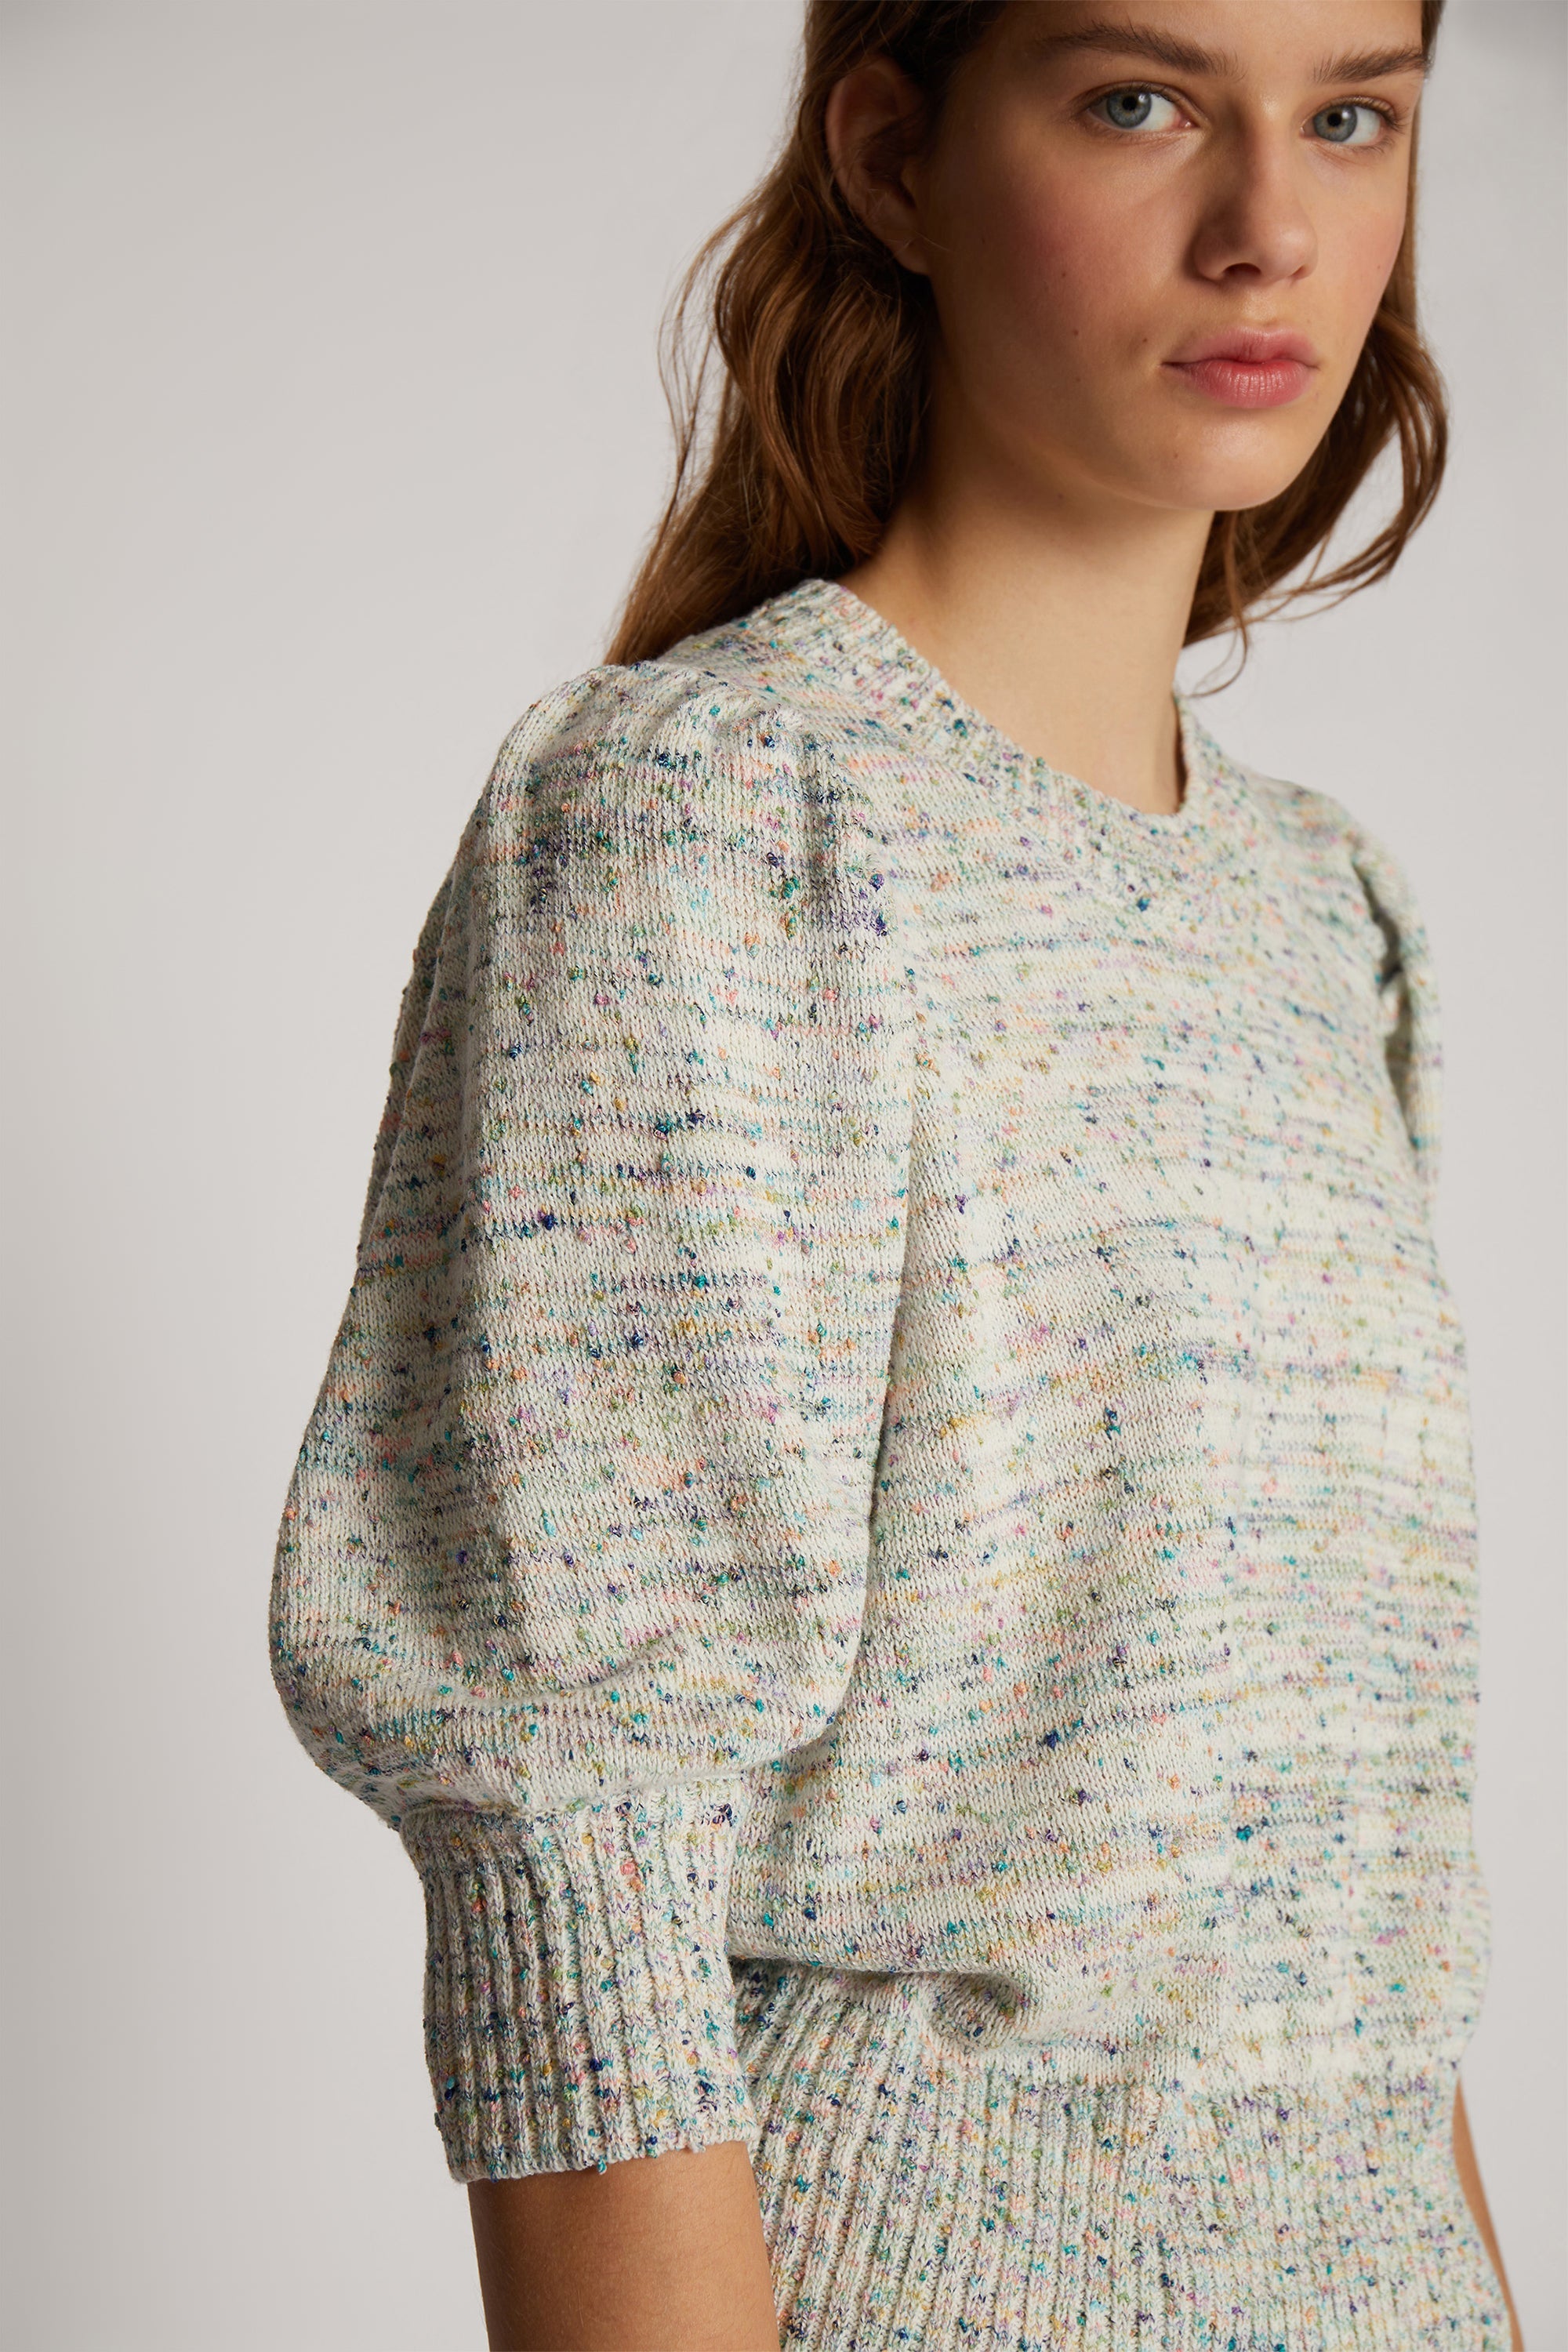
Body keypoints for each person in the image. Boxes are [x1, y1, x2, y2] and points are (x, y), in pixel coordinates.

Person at [270, 2, 1525, 2343]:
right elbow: (579, 1823)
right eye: (1141, 102)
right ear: (891, 157)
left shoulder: (1322, 906)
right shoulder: (718, 820)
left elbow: (1344, 1914)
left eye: (1353, 114)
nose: (1272, 226)